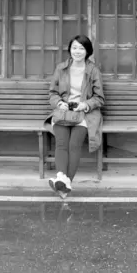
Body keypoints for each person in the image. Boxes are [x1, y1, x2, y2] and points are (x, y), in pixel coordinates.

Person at [43, 35, 104, 197]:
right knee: (61, 144)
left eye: (81, 48)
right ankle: (64, 183)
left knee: (73, 146)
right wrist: (59, 103)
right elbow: (52, 93)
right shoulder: (61, 68)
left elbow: (99, 98)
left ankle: (63, 182)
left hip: (84, 114)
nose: (77, 51)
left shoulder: (93, 71)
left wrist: (86, 105)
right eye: (74, 47)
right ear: (70, 49)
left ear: (87, 51)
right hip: (63, 112)